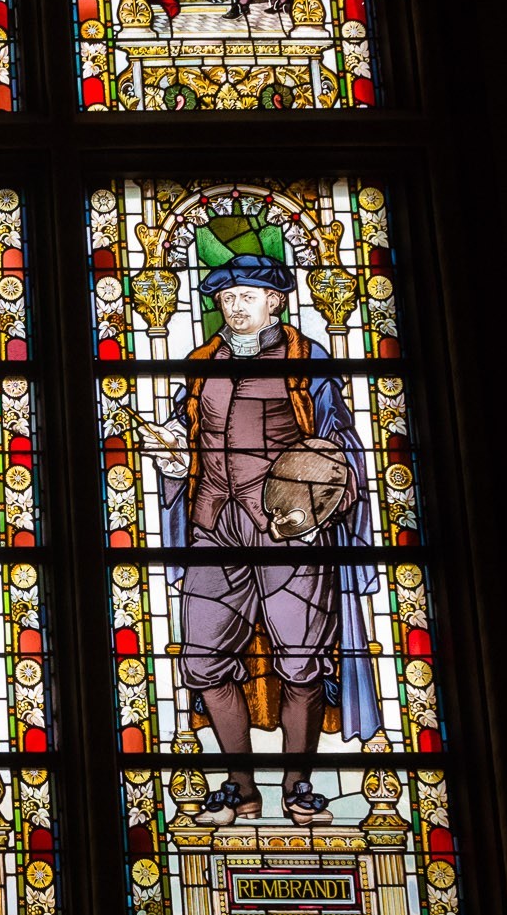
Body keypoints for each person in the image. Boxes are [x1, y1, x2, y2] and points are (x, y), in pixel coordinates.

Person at [141, 254, 380, 827]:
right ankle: (240, 786)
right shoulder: (203, 363)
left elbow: (340, 445)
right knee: (203, 660)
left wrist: (317, 509)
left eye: (247, 296)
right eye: (226, 299)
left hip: (287, 534)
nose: (235, 307)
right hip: (213, 527)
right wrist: (172, 457)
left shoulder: (306, 361)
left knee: (301, 662)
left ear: (275, 301)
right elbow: (189, 436)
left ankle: (299, 786)